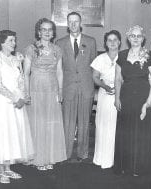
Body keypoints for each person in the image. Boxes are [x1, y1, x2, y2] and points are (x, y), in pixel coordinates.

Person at [0, 30, 34, 184]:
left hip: (16, 102)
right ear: (2, 43)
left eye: (14, 40)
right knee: (3, 134)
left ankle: (8, 168)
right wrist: (15, 98)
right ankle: (0, 171)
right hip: (3, 103)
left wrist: (22, 97)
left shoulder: (16, 59)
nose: (14, 43)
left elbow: (21, 80)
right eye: (10, 41)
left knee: (14, 133)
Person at [113, 25, 151, 176]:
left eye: (139, 36)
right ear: (128, 37)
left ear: (143, 38)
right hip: (126, 96)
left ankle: (140, 167)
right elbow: (118, 78)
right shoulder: (121, 55)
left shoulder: (149, 54)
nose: (136, 39)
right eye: (133, 36)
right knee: (126, 131)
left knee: (141, 131)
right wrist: (117, 97)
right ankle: (125, 166)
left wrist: (150, 100)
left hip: (143, 96)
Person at [24, 18, 67, 170]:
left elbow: (60, 72)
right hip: (36, 87)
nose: (47, 32)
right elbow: (26, 73)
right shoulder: (31, 48)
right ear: (38, 32)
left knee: (50, 123)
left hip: (52, 88)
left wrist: (61, 91)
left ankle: (49, 158)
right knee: (38, 122)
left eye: (50, 29)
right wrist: (26, 93)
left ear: (53, 32)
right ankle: (38, 159)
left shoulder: (57, 49)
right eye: (44, 29)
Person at [56, 12, 97, 162]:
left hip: (86, 88)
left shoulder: (91, 41)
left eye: (76, 21)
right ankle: (66, 154)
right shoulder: (60, 43)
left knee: (85, 122)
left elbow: (94, 66)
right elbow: (58, 69)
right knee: (67, 122)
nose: (73, 24)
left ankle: (82, 153)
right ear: (67, 24)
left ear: (81, 23)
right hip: (68, 88)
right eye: (70, 22)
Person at [91, 30, 121, 169]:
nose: (113, 42)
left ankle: (117, 159)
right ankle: (103, 158)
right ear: (105, 43)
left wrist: (119, 86)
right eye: (109, 40)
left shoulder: (125, 57)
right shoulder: (100, 58)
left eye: (115, 39)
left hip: (120, 95)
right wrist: (105, 86)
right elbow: (95, 77)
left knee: (117, 126)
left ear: (120, 42)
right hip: (104, 95)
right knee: (103, 125)